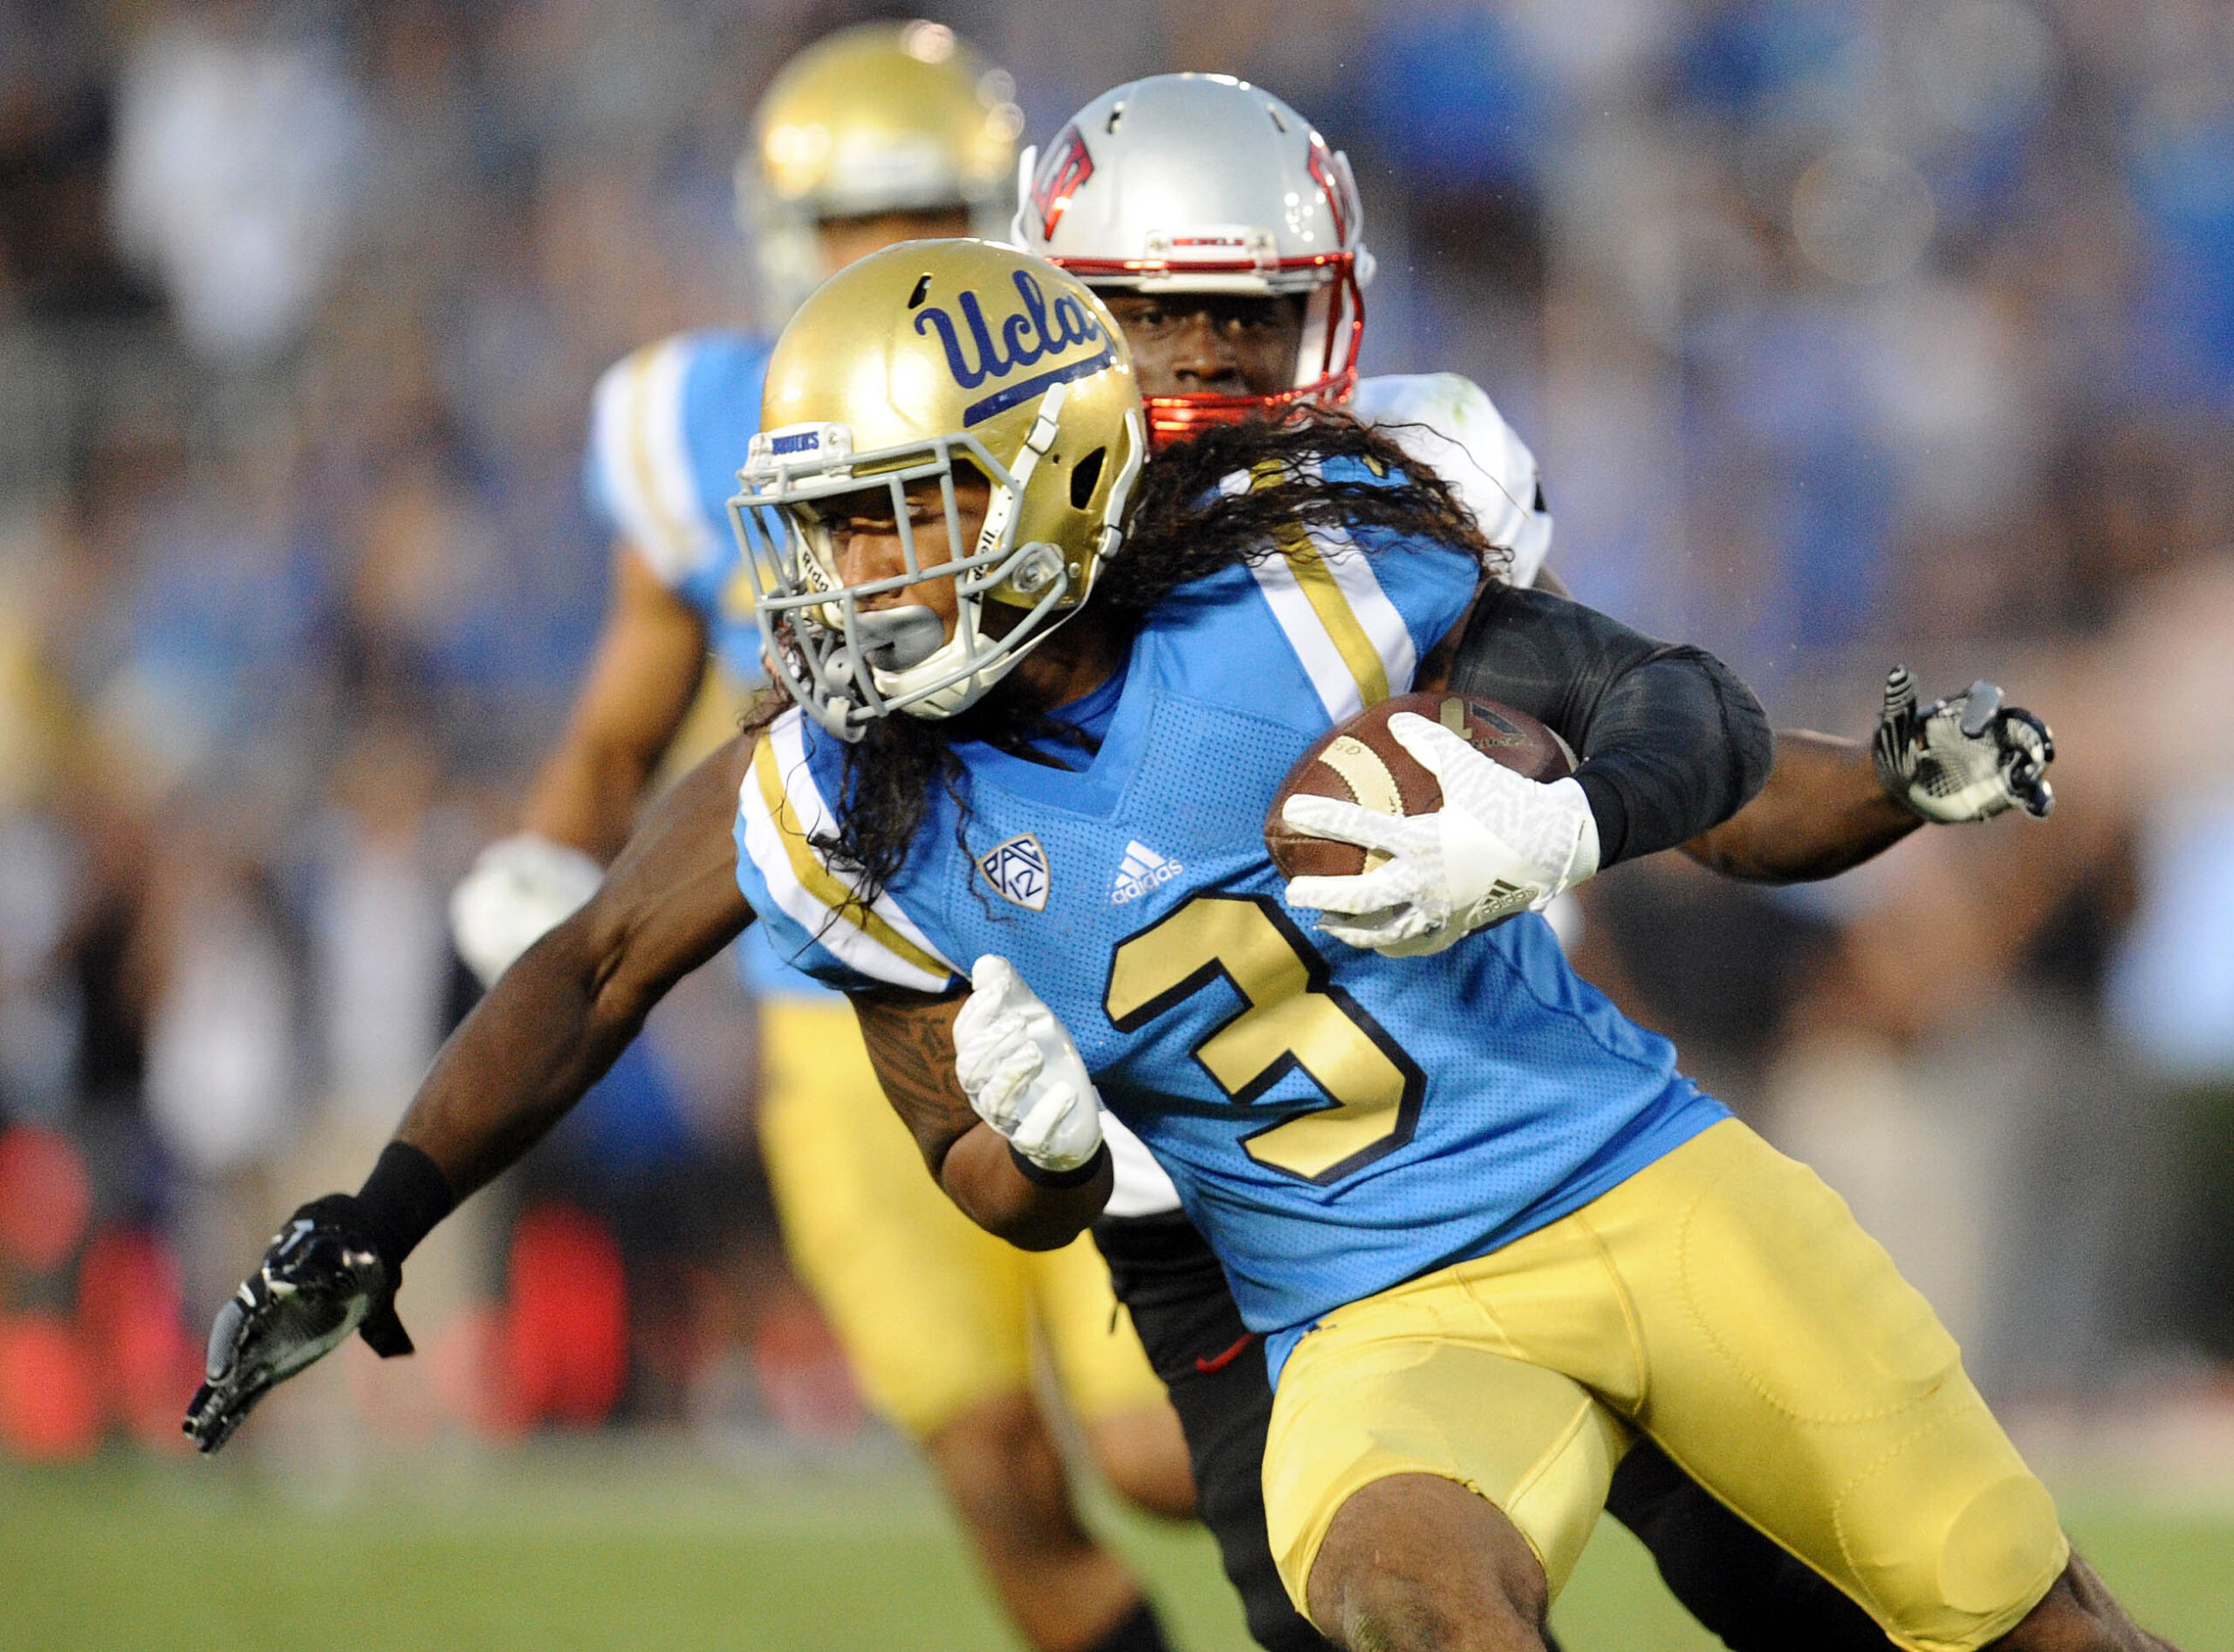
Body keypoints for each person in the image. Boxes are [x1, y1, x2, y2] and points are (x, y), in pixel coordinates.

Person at [188, 241, 2158, 1652]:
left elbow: (1691, 727)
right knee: (1401, 1601)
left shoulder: (1303, 597)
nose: (844, 579)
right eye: (826, 530)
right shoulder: (832, 801)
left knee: (2013, 1617)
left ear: (1043, 478)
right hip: (1371, 1317)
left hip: (1643, 1192)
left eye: (892, 518)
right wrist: (381, 1208)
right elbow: (633, 988)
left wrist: (1582, 814)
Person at [1011, 72, 2054, 1652]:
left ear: (1331, 313)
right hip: (1237, 1205)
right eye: (1159, 316)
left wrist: (1887, 786)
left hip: (1530, 1127)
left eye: (1252, 315)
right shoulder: (975, 545)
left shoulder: (1406, 485)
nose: (1211, 359)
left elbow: (1641, 727)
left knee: (1802, 1588)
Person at [443, 29, 1189, 1652]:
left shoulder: (1073, 401)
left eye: (922, 205)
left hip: (1073, 971)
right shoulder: (684, 417)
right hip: (843, 1016)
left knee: (1152, 1445)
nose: (884, 251)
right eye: (855, 219)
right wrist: (551, 861)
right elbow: (616, 728)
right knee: (991, 1461)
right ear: (787, 234)